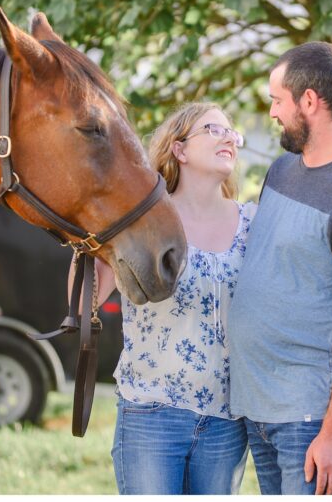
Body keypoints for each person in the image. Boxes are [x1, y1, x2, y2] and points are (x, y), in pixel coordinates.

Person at [228, 41, 332, 495]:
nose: (272, 113)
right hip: (260, 407)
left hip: (309, 421)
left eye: (276, 100)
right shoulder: (282, 170)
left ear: (309, 101)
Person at [93, 102, 255, 495]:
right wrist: (92, 240)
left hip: (227, 419)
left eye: (231, 132)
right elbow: (85, 300)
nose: (228, 138)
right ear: (179, 150)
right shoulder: (143, 222)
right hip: (152, 412)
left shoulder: (254, 223)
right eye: (212, 130)